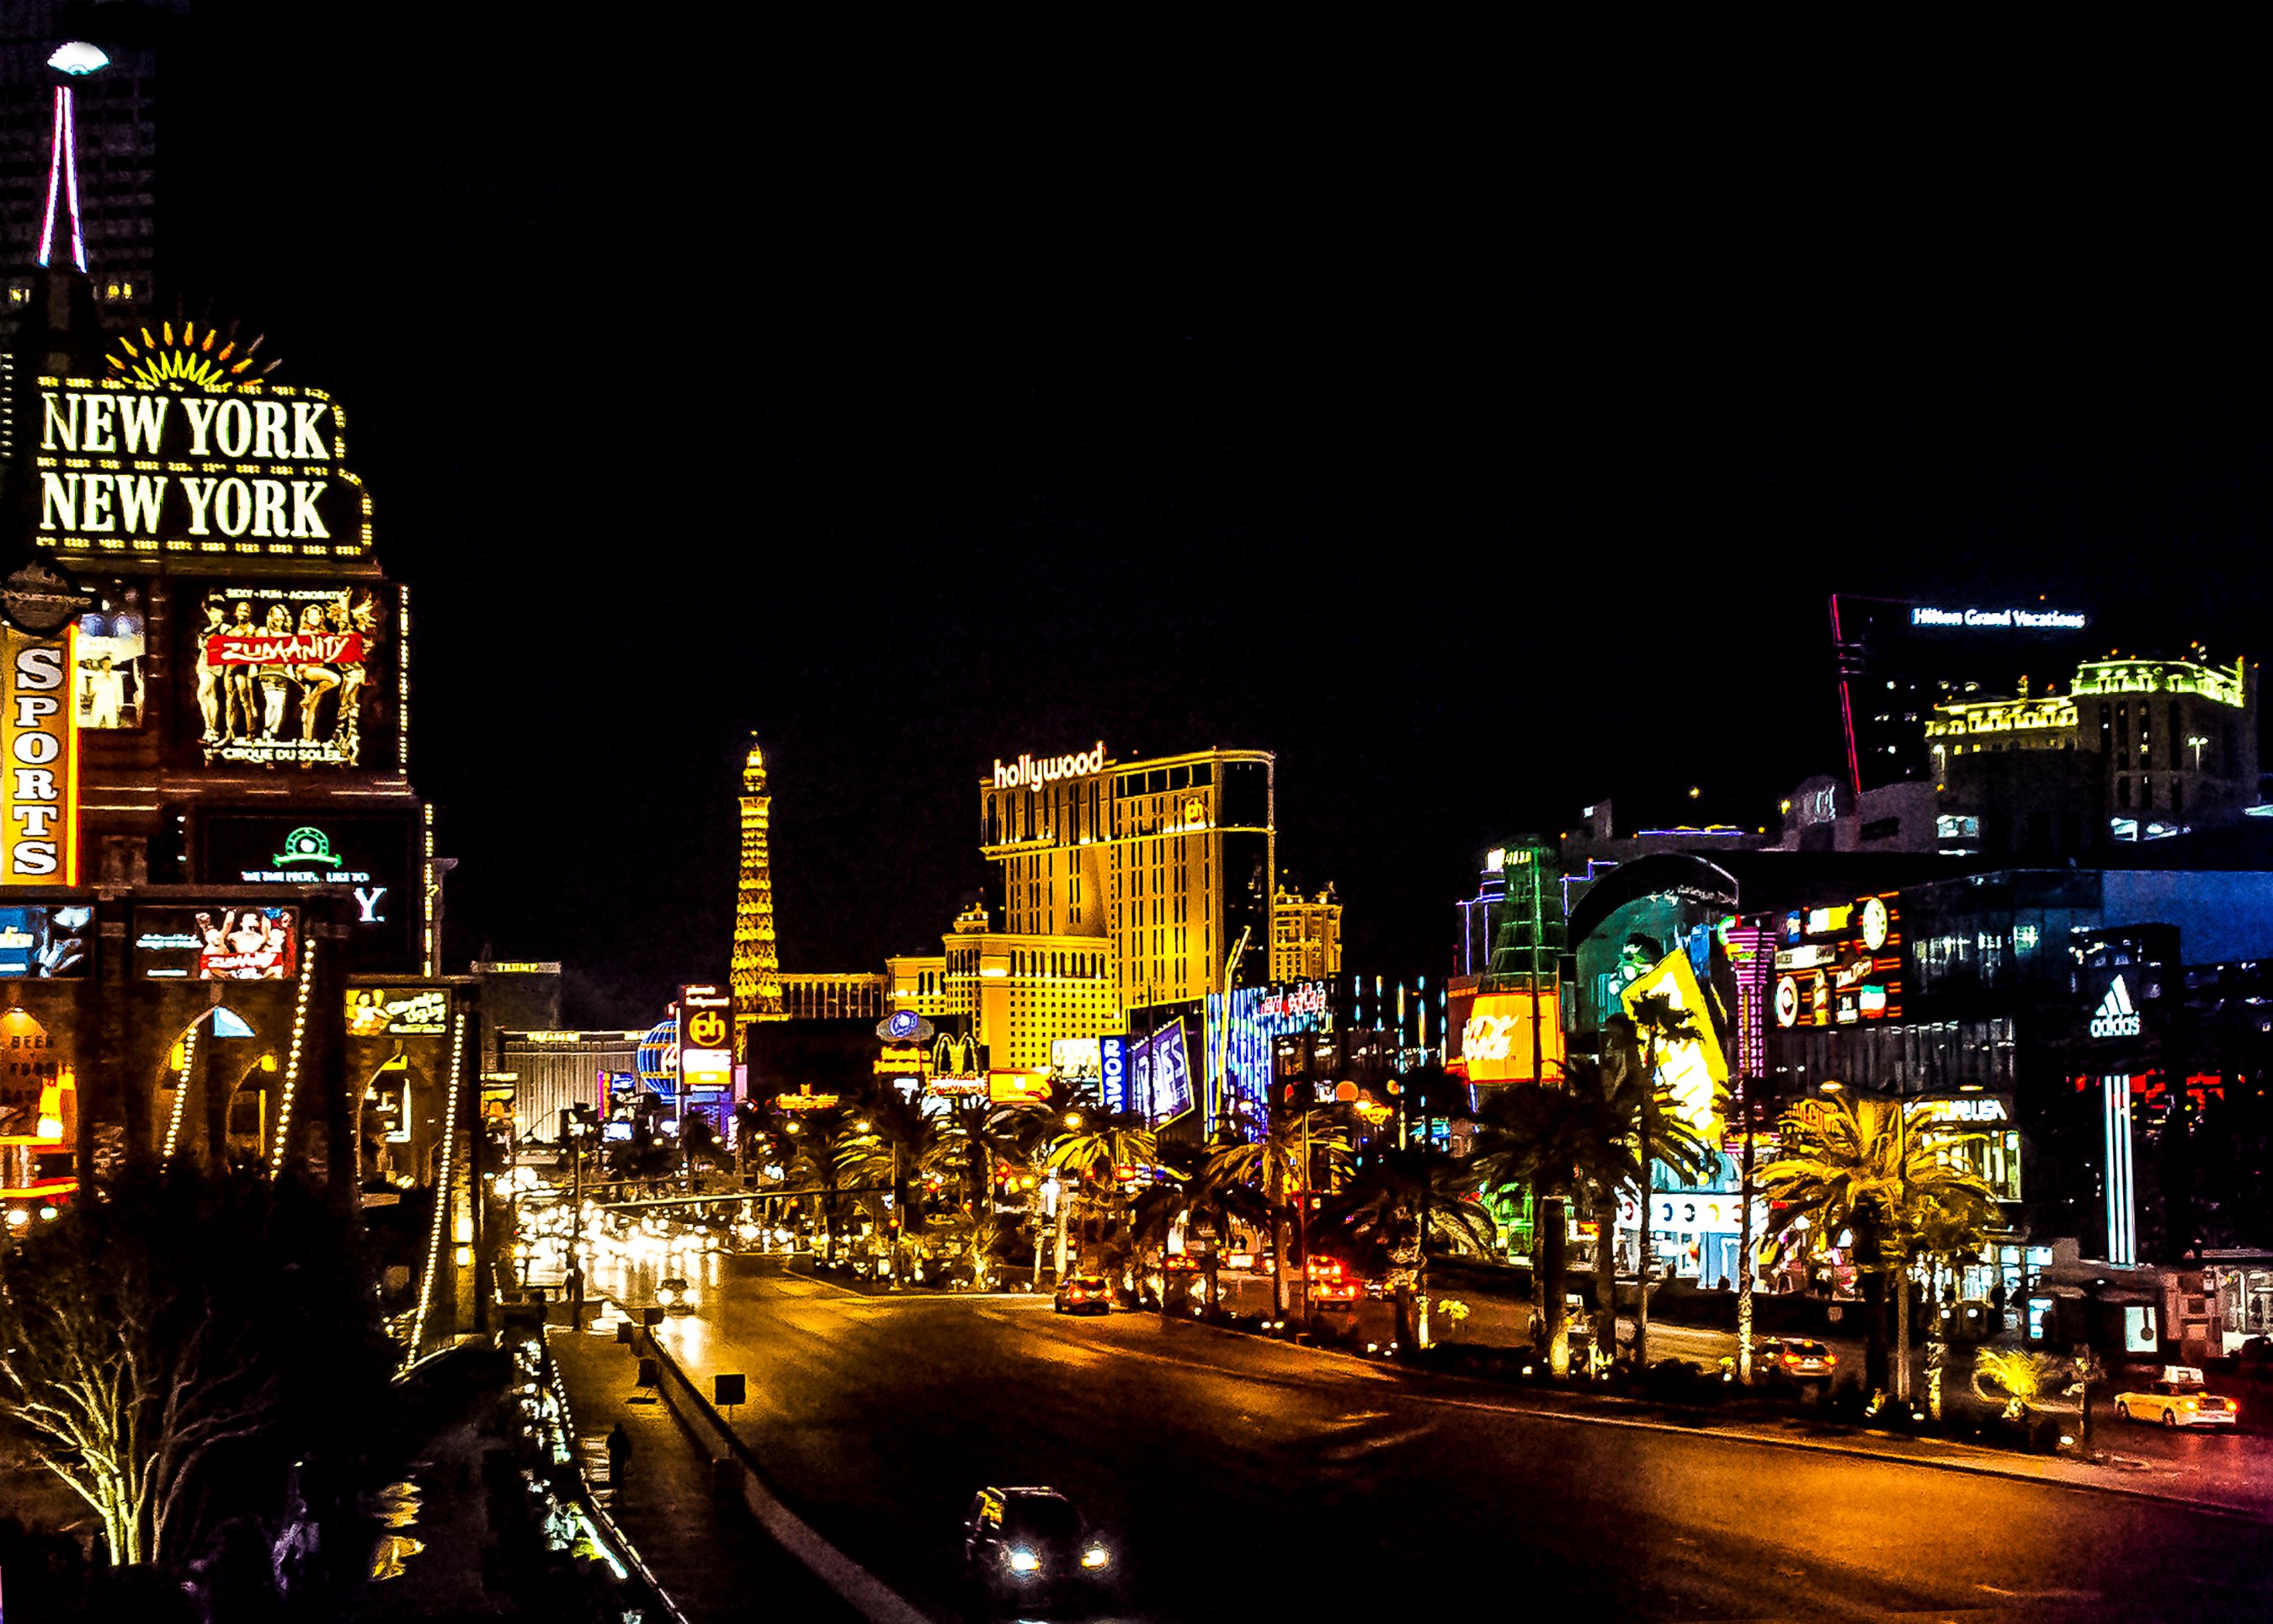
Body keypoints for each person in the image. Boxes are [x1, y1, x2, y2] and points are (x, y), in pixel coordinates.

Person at [605, 1422, 631, 1487]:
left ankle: (613, 1481)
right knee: (619, 1468)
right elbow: (627, 1446)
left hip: (614, 1455)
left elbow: (608, 1444)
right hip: (620, 1456)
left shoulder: (612, 1435)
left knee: (614, 1468)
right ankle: (619, 1482)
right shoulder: (623, 1436)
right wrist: (628, 1455)